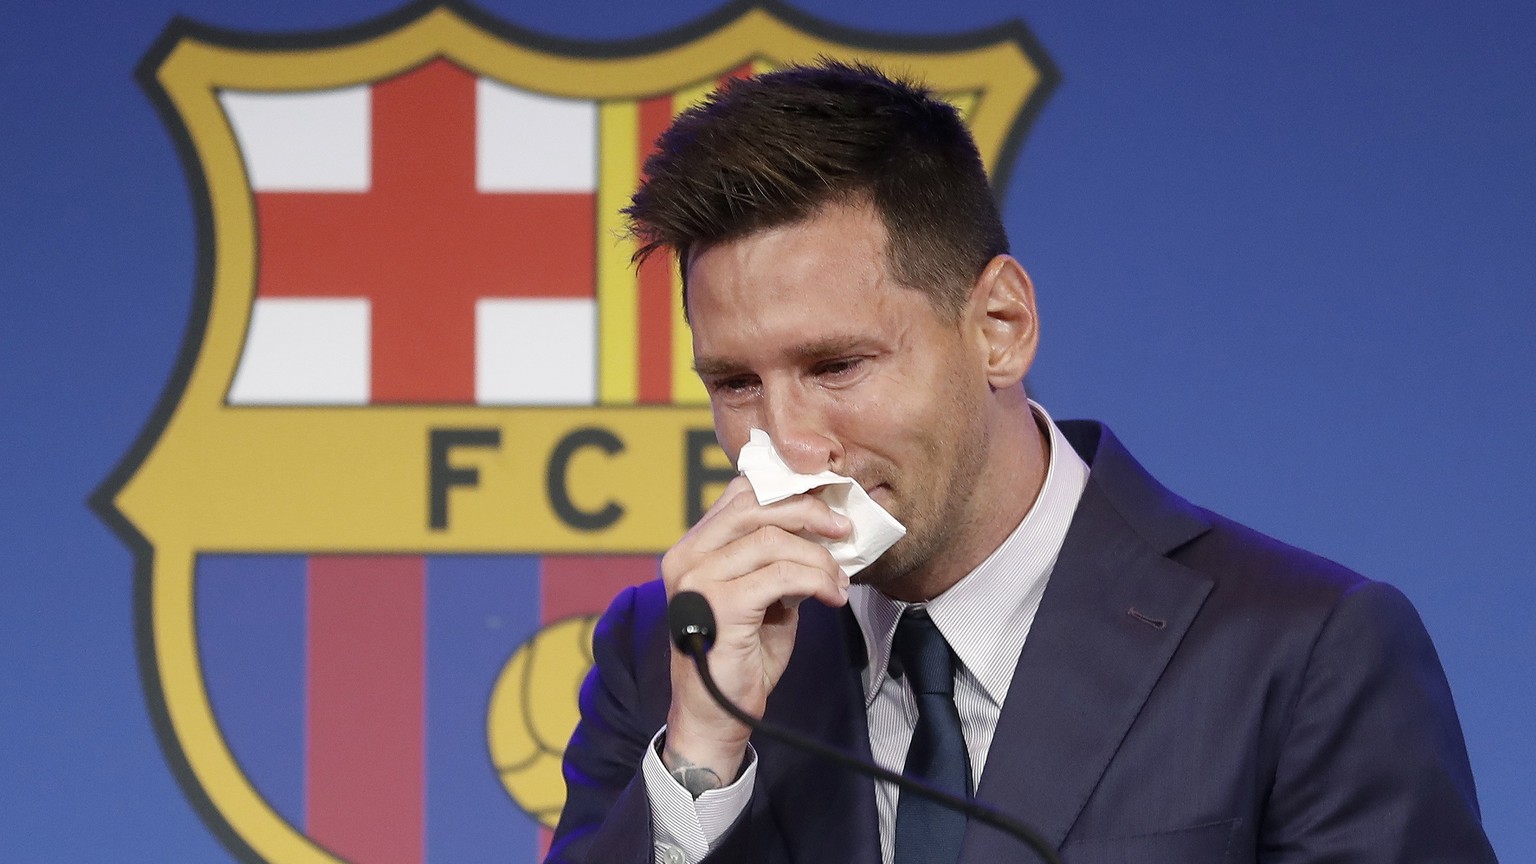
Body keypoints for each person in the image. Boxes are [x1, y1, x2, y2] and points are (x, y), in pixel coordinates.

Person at [546, 61, 1496, 864]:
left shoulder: (1302, 649)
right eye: (735, 383)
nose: (787, 444)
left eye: (837, 365)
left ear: (1000, 326)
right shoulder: (671, 652)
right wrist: (700, 759)